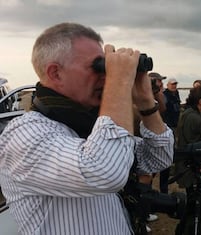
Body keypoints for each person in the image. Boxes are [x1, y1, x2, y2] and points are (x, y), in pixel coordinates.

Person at [0, 22, 174, 235]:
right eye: (98, 67)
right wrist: (118, 82)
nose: (106, 76)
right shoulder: (25, 134)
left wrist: (146, 102)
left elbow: (158, 158)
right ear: (55, 73)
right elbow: (106, 172)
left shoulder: (90, 126)